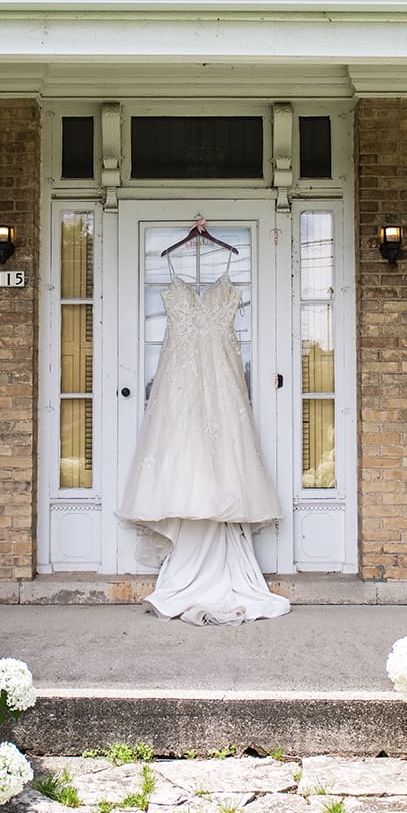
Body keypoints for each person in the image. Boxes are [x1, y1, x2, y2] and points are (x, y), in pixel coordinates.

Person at [117, 230, 290, 625]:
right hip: (179, 388)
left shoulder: (223, 280)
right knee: (186, 454)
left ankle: (206, 566)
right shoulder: (178, 274)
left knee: (222, 458)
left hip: (222, 387)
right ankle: (194, 562)